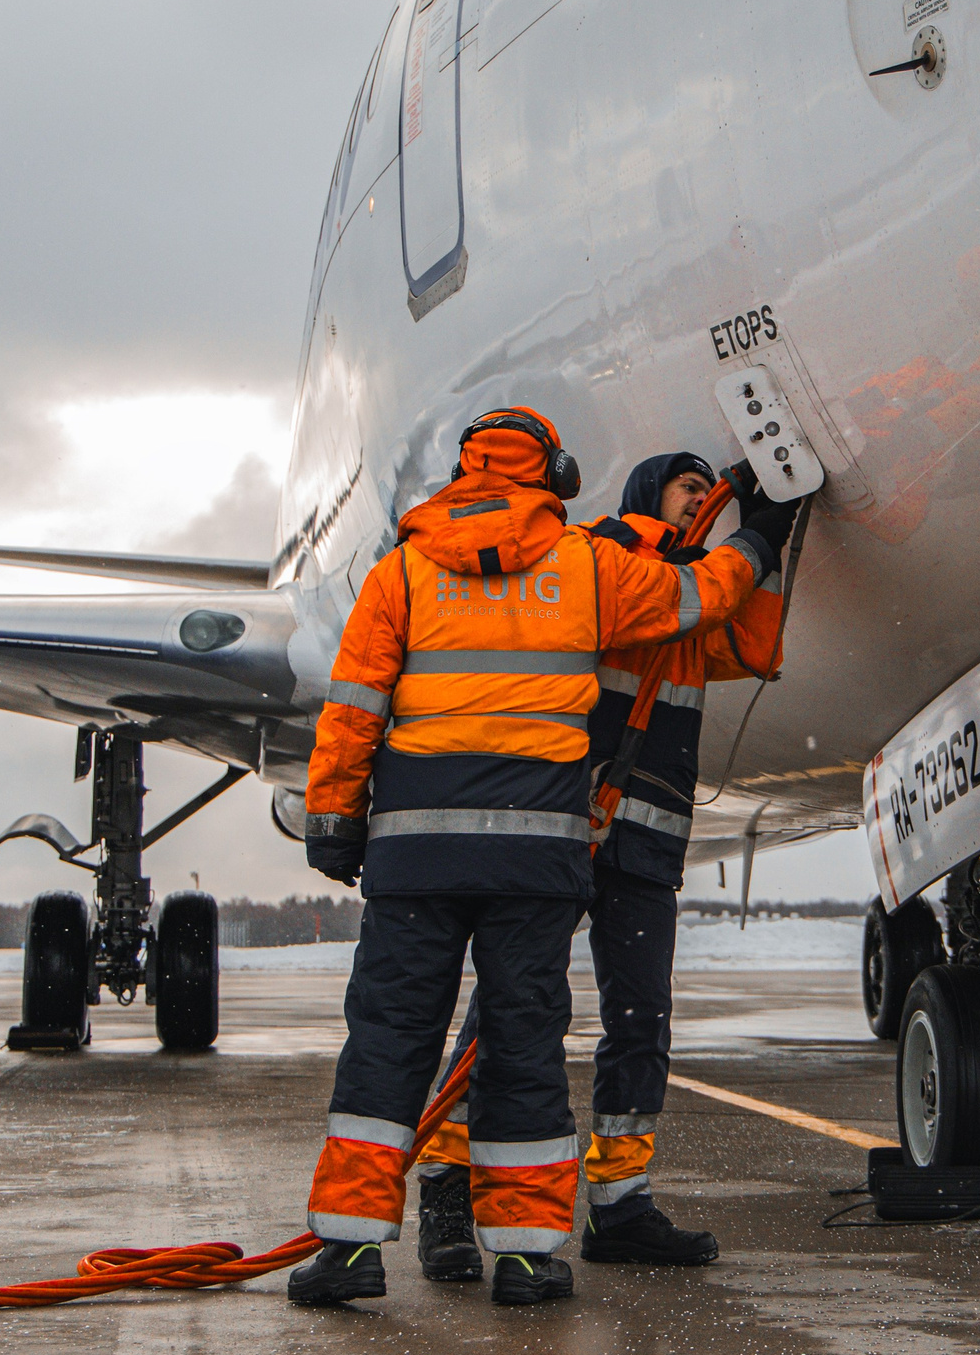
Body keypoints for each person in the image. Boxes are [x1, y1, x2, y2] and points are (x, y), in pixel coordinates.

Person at [289, 410, 796, 1309]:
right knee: (525, 1045)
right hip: (536, 853)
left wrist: (333, 818)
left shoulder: (400, 572)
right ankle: (526, 1255)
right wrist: (759, 535)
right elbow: (700, 596)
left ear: (461, 473)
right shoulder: (586, 567)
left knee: (389, 1042)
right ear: (554, 476)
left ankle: (350, 1248)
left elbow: (354, 704)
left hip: (417, 856)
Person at [409, 452, 786, 1282]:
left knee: (641, 1016)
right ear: (652, 497)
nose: (703, 499)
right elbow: (668, 600)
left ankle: (621, 1200)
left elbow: (752, 645)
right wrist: (742, 540)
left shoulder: (696, 584)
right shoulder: (606, 557)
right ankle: (446, 1181)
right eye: (690, 488)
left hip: (647, 840)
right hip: (572, 826)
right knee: (513, 1008)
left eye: (705, 488)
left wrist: (772, 541)